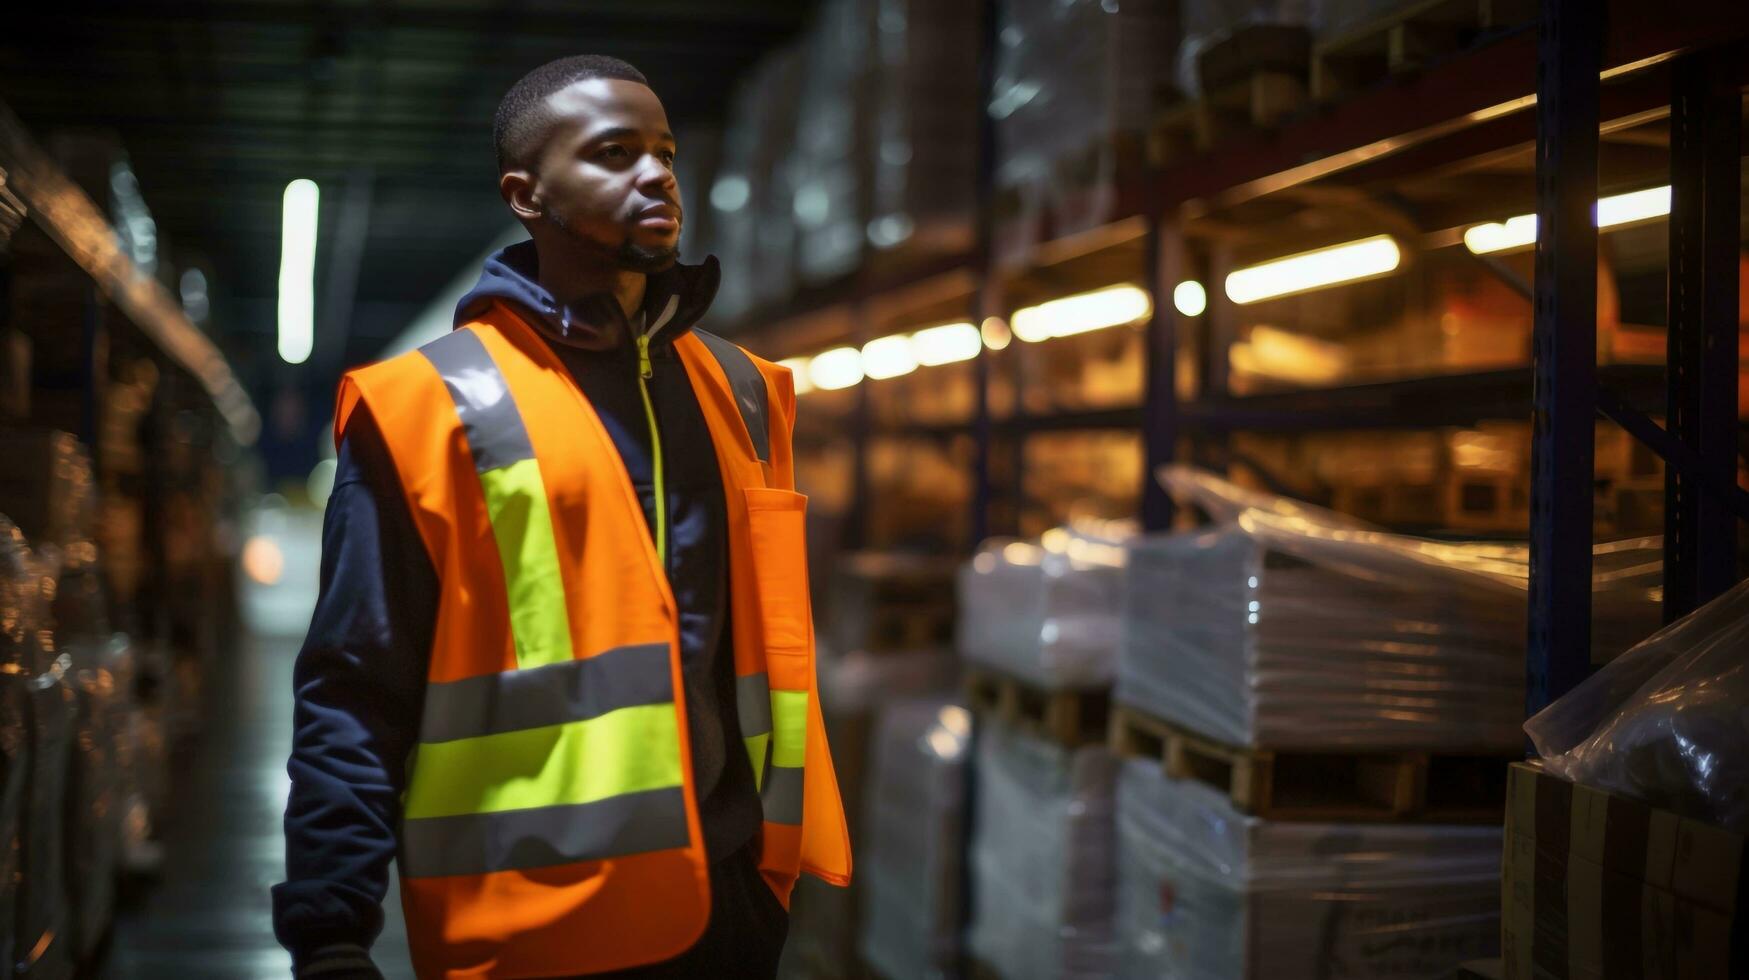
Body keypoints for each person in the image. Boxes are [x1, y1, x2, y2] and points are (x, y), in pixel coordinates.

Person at [271, 55, 850, 979]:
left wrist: (755, 883)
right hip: (538, 921)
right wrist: (331, 928)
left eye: (663, 152)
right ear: (526, 194)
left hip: (729, 908)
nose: (657, 174)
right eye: (615, 153)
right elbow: (355, 682)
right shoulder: (428, 405)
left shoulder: (738, 387)